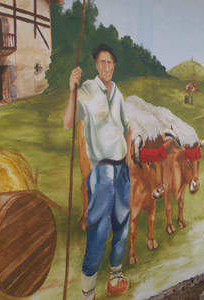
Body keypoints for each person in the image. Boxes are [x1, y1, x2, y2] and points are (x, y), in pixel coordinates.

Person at [63, 44, 132, 299]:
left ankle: (115, 276)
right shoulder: (87, 91)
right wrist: (72, 89)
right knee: (99, 228)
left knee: (122, 224)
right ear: (96, 64)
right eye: (102, 62)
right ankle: (87, 291)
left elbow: (127, 126)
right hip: (102, 170)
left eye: (110, 62)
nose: (107, 66)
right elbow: (69, 121)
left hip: (122, 169)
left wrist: (129, 157)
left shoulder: (119, 94)